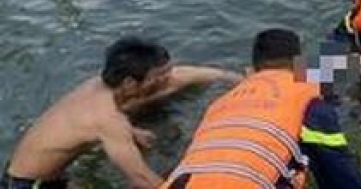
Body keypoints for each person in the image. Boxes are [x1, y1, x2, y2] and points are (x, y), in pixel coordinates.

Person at [5, 37, 240, 189]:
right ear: (130, 82)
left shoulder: (98, 86)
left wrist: (238, 80)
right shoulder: (107, 119)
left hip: (42, 173)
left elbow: (189, 74)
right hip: (26, 184)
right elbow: (141, 178)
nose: (168, 80)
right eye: (160, 77)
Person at [164, 28, 361, 189]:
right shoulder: (307, 99)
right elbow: (340, 175)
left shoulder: (219, 105)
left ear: (252, 69)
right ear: (298, 63)